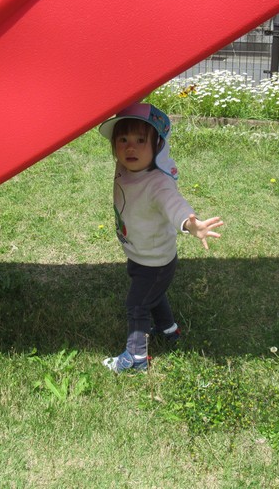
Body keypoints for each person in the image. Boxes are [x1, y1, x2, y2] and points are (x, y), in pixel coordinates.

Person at [98, 102, 223, 372]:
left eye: (141, 140)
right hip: (140, 253)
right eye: (123, 140)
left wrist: (191, 225)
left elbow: (174, 204)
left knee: (137, 304)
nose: (130, 148)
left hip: (156, 261)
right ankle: (168, 329)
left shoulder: (157, 183)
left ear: (157, 146)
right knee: (152, 294)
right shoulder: (125, 167)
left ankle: (136, 358)